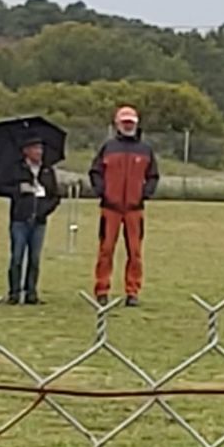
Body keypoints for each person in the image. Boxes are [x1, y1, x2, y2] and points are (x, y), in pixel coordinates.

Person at [89, 106, 160, 307]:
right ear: (118, 125)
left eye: (131, 123)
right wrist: (102, 191)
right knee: (106, 250)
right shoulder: (108, 147)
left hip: (134, 209)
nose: (128, 126)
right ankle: (102, 289)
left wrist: (145, 194)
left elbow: (153, 175)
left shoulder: (145, 150)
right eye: (124, 122)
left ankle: (133, 291)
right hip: (110, 208)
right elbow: (95, 172)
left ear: (136, 124)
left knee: (135, 252)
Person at [0, 135, 60, 305]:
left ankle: (31, 293)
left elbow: (55, 196)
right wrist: (19, 189)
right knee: (17, 257)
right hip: (19, 219)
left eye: (40, 148)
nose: (39, 151)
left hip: (39, 222)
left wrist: (44, 211)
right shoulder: (16, 169)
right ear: (26, 151)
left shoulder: (47, 170)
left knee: (35, 258)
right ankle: (14, 293)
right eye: (35, 148)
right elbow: (1, 187)